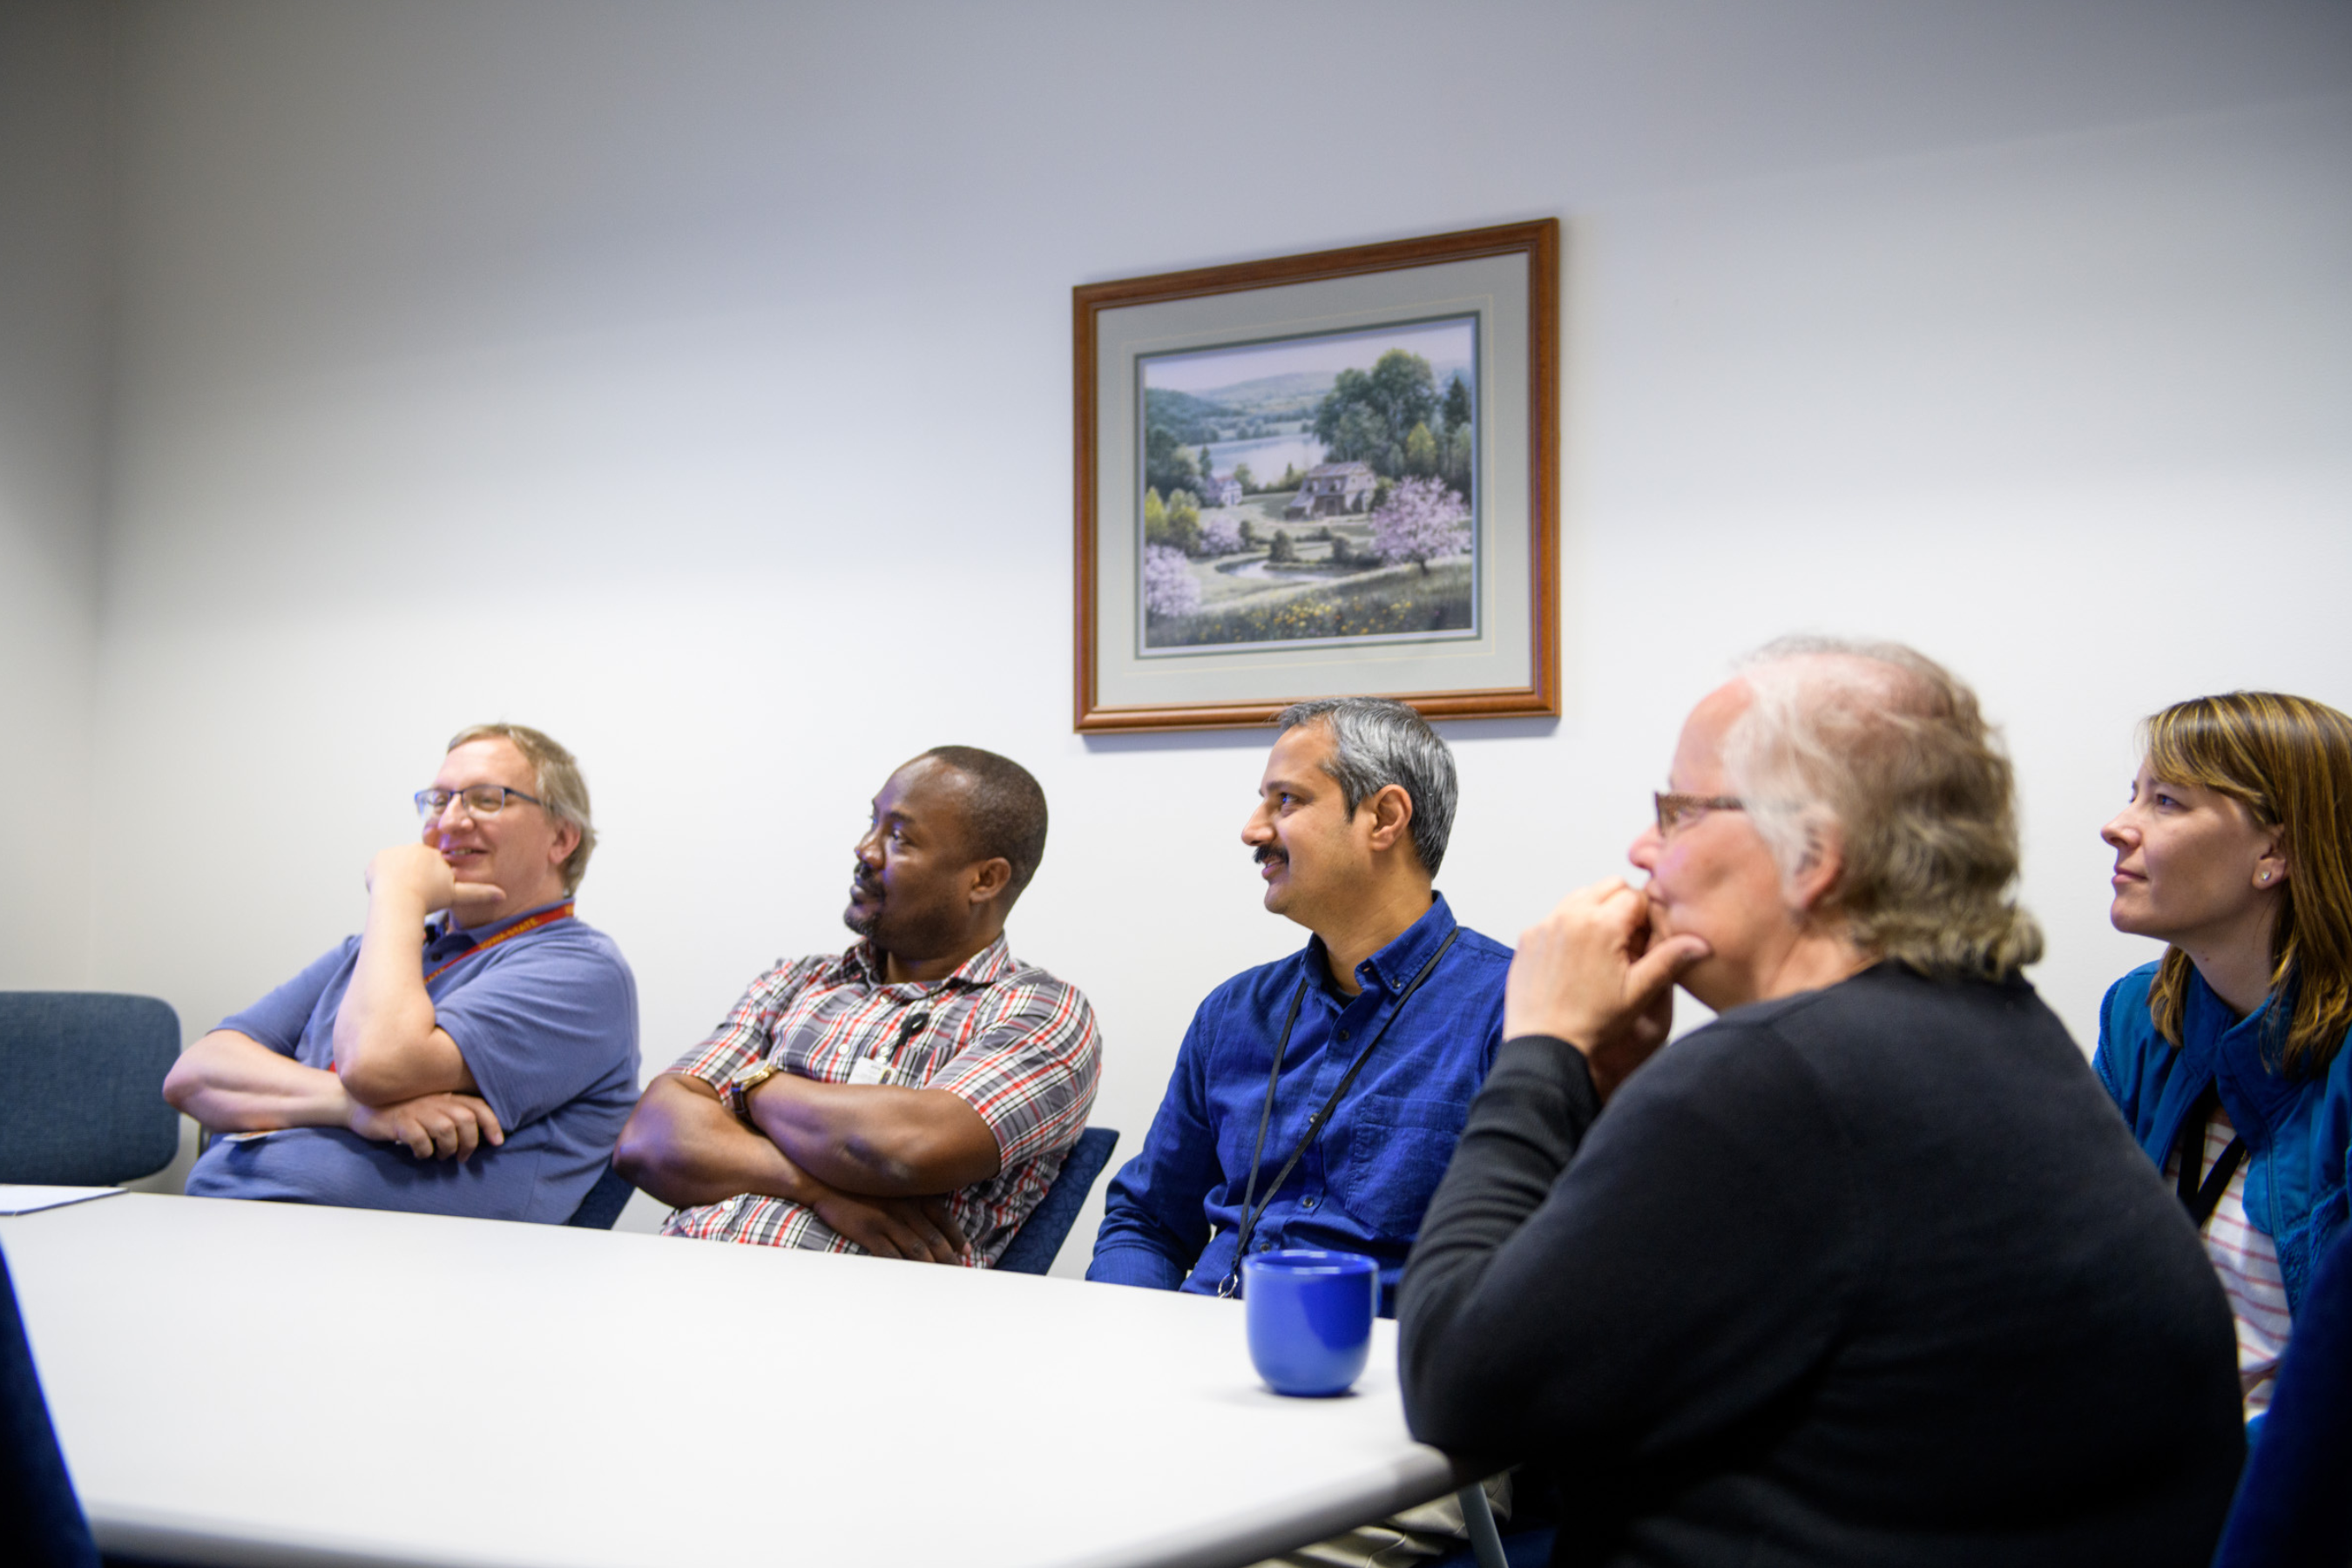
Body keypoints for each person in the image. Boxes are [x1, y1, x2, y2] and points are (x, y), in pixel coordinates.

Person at [1400, 639, 2246, 1567]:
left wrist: (1539, 1048)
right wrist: (1612, 1091)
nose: (1645, 851)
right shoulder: (1992, 1034)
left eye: (1678, 813)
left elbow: (1456, 1383)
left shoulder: (1773, 1080)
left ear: (1814, 856)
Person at [1087, 698, 1511, 1316]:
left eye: (1286, 801)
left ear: (1384, 817)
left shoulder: (1514, 1008)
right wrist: (1131, 1334)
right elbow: (1148, 1220)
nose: (1253, 830)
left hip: (1383, 1376)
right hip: (1197, 1353)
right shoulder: (1234, 1012)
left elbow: (1547, 1261)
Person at [613, 747, 1098, 1266]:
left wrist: (756, 1087)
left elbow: (903, 1150)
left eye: (900, 837)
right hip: (678, 1281)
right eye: (874, 822)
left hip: (861, 1323)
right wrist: (820, 1189)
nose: (865, 849)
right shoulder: (797, 980)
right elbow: (647, 1139)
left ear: (985, 880)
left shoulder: (1040, 1011)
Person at [170, 724, 639, 1224]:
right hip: (228, 1226)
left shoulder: (582, 970)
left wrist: (398, 893)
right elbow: (194, 1077)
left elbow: (378, 1064)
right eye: (438, 801)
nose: (450, 821)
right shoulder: (377, 949)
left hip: (415, 1270)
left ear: (562, 838)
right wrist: (354, 1110)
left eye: (486, 799)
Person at [2094, 691, 2352, 1428]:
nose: (2117, 827)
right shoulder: (2140, 1016)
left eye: (2167, 801)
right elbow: (2085, 1263)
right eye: (2135, 795)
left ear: (2277, 852)